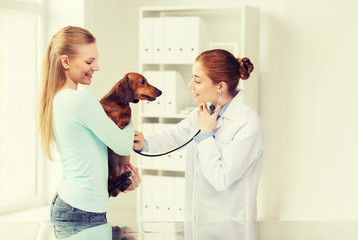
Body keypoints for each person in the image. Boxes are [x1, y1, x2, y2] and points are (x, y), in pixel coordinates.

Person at [133, 49, 264, 222]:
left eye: (197, 80)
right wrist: (144, 143)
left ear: (220, 86)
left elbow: (221, 178)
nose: (190, 86)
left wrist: (206, 134)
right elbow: (176, 136)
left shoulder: (247, 124)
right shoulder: (205, 111)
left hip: (230, 225)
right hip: (198, 220)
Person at [38, 26, 140, 232]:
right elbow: (123, 145)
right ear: (65, 62)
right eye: (89, 61)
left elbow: (91, 159)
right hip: (81, 212)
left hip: (74, 206)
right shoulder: (80, 100)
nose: (97, 67)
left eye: (96, 59)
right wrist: (127, 113)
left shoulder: (58, 99)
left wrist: (122, 182)